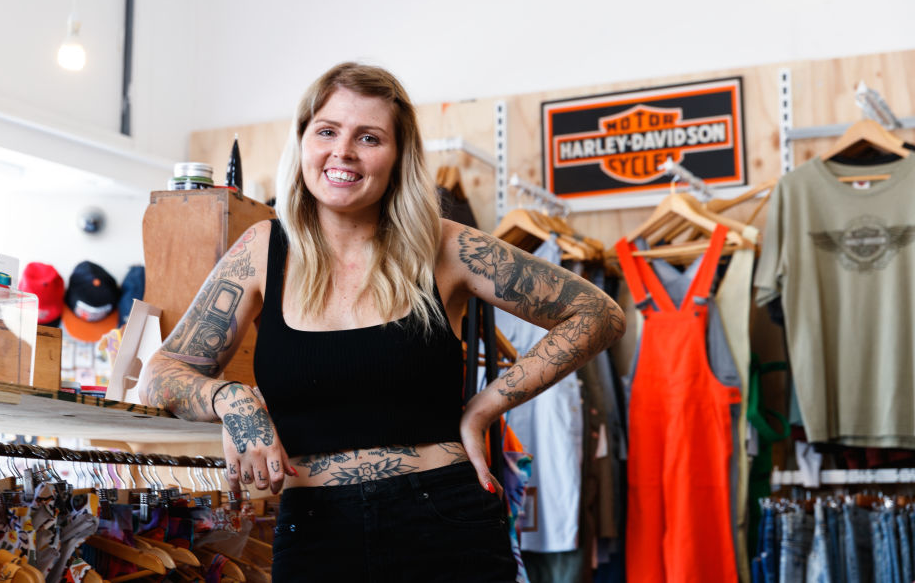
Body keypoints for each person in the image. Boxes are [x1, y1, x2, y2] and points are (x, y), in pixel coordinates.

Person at [140, 62, 626, 581]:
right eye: (326, 131)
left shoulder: (446, 246)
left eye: (368, 137)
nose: (342, 152)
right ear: (303, 141)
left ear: (397, 157)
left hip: (444, 521)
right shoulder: (262, 250)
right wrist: (231, 400)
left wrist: (483, 409)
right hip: (316, 534)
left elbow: (597, 312)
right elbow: (158, 374)